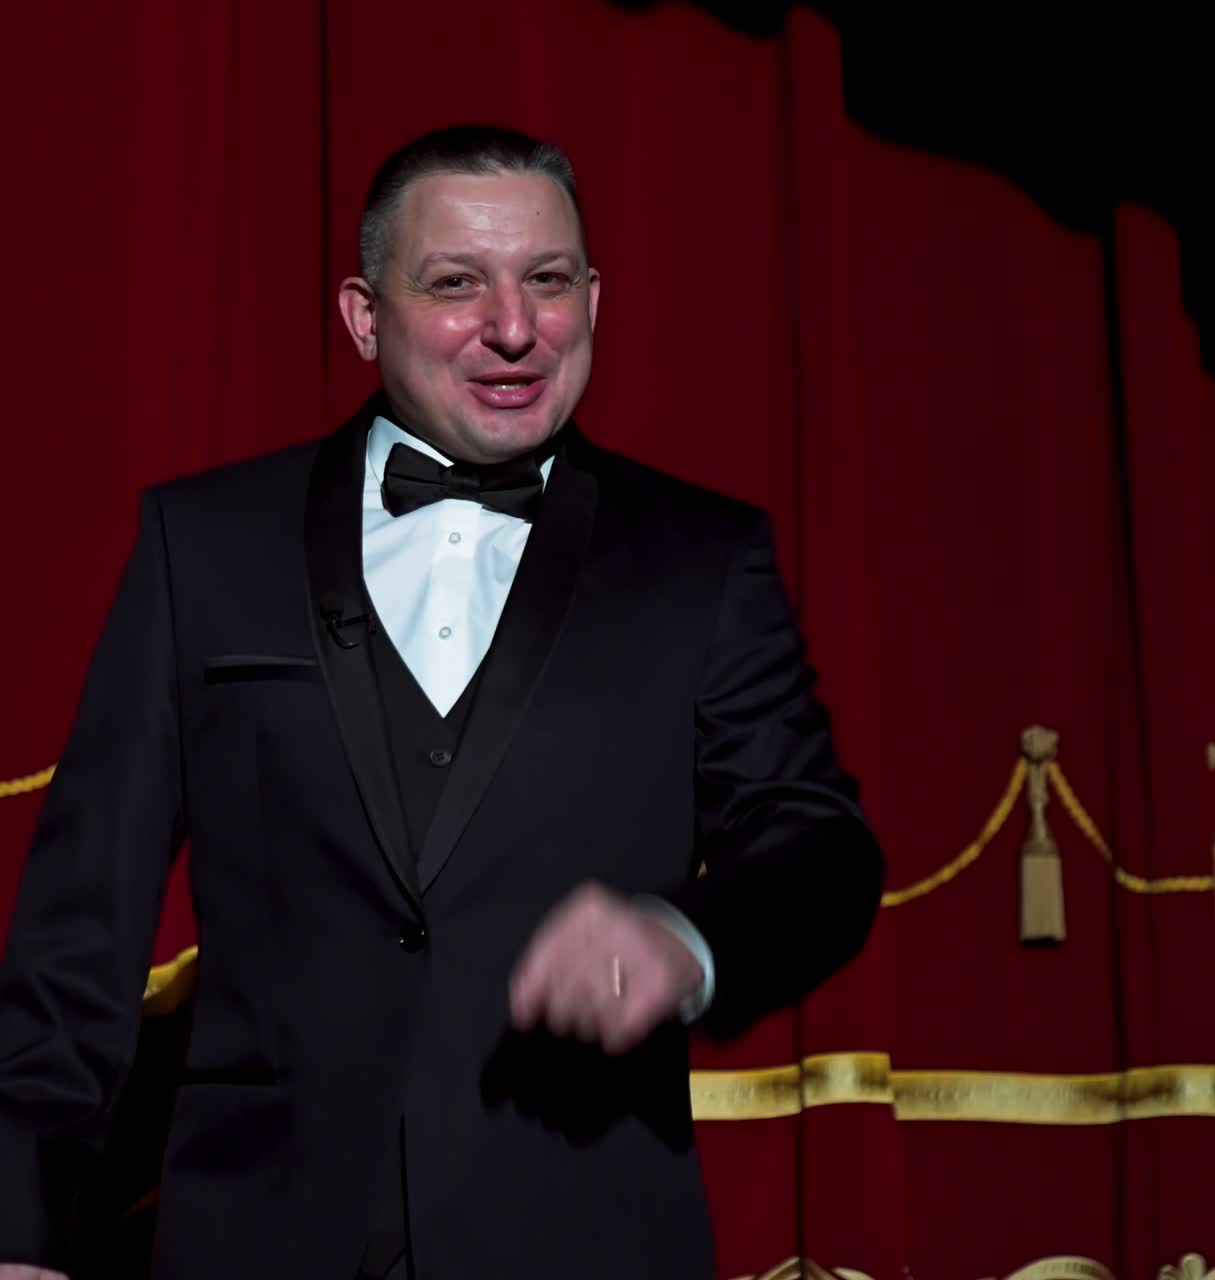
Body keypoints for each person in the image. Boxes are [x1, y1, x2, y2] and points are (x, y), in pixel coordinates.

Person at [0, 126, 883, 1280]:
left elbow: (817, 846)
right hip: (257, 1236)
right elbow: (83, 922)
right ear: (364, 316)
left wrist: (685, 938)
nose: (513, 327)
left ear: (592, 300)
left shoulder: (700, 560)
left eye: (546, 280)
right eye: (457, 283)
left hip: (581, 1236)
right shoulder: (203, 545)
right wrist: (22, 1227)